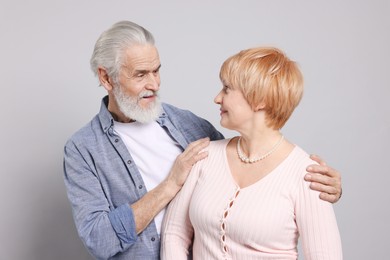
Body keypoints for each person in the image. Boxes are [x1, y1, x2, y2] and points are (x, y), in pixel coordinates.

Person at [63, 21, 342, 260]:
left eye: (157, 70)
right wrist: (170, 185)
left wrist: (322, 190)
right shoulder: (84, 149)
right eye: (141, 75)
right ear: (106, 78)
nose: (155, 84)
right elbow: (99, 239)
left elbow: (252, 161)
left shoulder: (190, 127)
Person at [161, 47, 343, 259]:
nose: (217, 98)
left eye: (227, 89)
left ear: (260, 99)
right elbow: (174, 232)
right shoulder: (204, 155)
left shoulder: (307, 174)